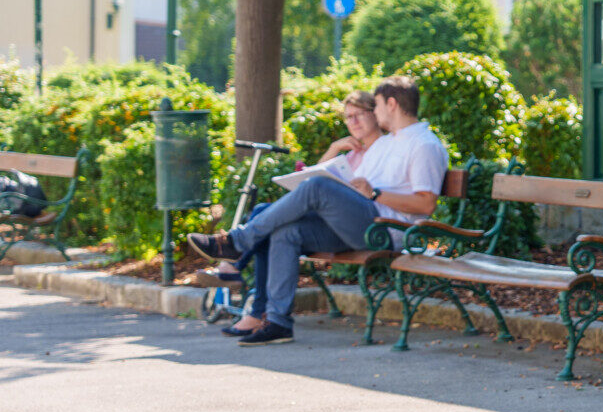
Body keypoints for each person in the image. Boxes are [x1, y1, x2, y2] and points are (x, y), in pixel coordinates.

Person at [186, 76, 449, 346]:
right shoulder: (387, 143)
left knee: (317, 187)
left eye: (378, 105)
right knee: (286, 232)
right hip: (359, 222)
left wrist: (375, 193)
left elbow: (426, 204)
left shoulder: (423, 144)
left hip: (385, 230)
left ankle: (237, 243)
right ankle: (277, 322)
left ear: (392, 104)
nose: (376, 110)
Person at [215, 92, 384, 337]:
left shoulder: (383, 151)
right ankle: (261, 311)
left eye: (359, 115)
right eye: (348, 117)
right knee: (268, 217)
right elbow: (317, 176)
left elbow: (331, 188)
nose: (354, 122)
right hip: (329, 223)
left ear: (375, 114)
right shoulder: (351, 154)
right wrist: (334, 148)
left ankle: (238, 260)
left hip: (357, 227)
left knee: (269, 218)